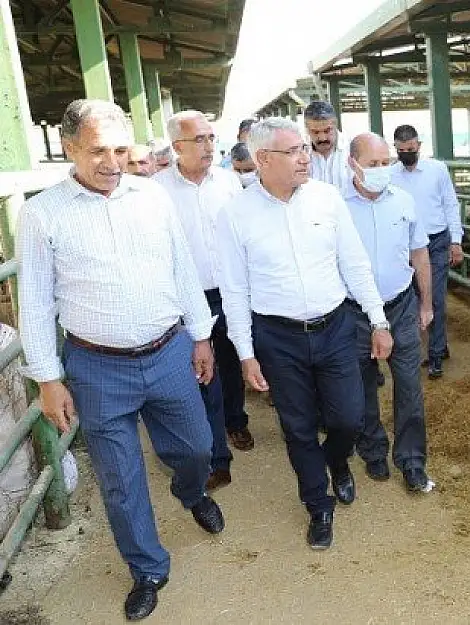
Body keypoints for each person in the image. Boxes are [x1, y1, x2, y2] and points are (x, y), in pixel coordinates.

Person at [17, 99, 224, 621]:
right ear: (68, 149)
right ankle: (147, 567)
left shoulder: (152, 198)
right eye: (96, 151)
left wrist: (200, 337)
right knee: (120, 478)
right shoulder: (42, 213)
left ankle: (190, 489)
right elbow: (37, 301)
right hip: (96, 366)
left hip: (169, 350)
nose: (111, 162)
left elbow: (182, 269)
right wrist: (47, 377)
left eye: (120, 150)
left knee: (198, 446)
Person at [216, 117, 392, 550]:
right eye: (293, 150)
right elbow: (234, 291)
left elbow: (354, 263)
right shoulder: (235, 215)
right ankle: (318, 505)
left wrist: (378, 319)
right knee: (297, 427)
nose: (305, 156)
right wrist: (245, 354)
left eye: (304, 148)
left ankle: (339, 462)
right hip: (278, 337)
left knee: (347, 418)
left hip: (335, 328)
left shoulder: (326, 199)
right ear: (262, 160)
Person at [154, 110, 251, 479]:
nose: (209, 146)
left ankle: (236, 419)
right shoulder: (157, 190)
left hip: (231, 290)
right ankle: (217, 458)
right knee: (204, 372)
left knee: (232, 359)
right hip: (188, 298)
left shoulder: (228, 182)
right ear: (177, 146)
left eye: (211, 138)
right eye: (199, 139)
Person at [344, 132, 436, 492]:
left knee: (410, 385)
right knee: (362, 385)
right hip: (353, 312)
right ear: (353, 163)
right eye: (373, 164)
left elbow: (420, 254)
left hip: (400, 305)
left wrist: (426, 303)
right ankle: (373, 450)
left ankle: (412, 459)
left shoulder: (404, 202)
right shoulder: (337, 206)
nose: (382, 170)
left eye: (386, 163)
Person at [390, 125, 463, 379]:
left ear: (419, 146)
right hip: (406, 244)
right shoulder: (390, 175)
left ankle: (434, 355)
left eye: (411, 149)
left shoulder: (437, 169)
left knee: (435, 298)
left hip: (435, 241)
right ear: (395, 149)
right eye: (401, 151)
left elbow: (450, 203)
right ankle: (438, 346)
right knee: (410, 299)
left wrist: (456, 240)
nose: (407, 154)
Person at [304, 101, 348, 187]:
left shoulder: (353, 149)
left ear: (335, 124)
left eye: (327, 131)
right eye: (315, 132)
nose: (322, 138)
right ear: (306, 129)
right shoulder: (300, 152)